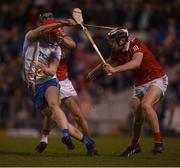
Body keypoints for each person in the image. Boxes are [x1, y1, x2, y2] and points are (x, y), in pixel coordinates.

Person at [87, 27, 168, 157]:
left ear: (121, 41)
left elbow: (136, 63)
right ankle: (135, 145)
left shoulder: (136, 44)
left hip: (156, 78)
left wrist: (115, 69)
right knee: (137, 116)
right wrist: (93, 72)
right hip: (140, 84)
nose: (110, 44)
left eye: (113, 41)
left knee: (146, 105)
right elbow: (108, 62)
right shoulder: (117, 51)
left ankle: (159, 142)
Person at [34, 12, 98, 156]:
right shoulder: (39, 36)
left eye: (48, 21)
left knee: (78, 116)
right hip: (48, 80)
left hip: (63, 80)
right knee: (51, 112)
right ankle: (45, 139)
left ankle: (90, 144)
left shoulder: (58, 32)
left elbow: (72, 44)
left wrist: (60, 36)